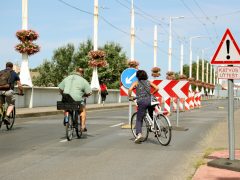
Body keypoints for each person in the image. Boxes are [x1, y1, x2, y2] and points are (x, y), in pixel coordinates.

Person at [128, 70, 159, 143]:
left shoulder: (136, 83)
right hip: (151, 100)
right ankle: (155, 128)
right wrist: (152, 93)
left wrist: (130, 96)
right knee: (151, 113)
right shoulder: (149, 82)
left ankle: (139, 135)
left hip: (142, 101)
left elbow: (130, 89)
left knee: (139, 118)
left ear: (137, 76)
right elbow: (157, 88)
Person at [58, 67, 92, 132]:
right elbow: (89, 92)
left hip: (66, 97)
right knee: (83, 109)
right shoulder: (83, 80)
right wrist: (86, 95)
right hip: (77, 100)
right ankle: (82, 126)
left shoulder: (67, 78)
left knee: (66, 107)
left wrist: (62, 93)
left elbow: (60, 88)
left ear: (75, 71)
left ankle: (66, 118)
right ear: (82, 73)